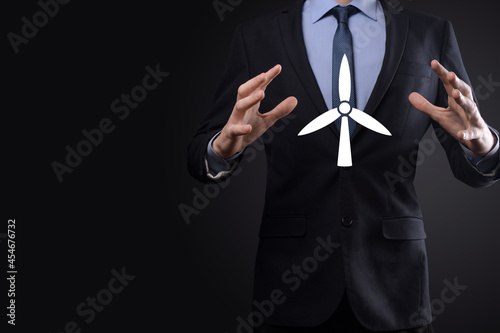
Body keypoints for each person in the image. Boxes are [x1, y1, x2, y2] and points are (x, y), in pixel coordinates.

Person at [188, 0, 500, 332]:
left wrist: (483, 144)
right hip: (289, 288)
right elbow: (202, 152)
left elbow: (469, 151)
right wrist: (220, 149)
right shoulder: (256, 36)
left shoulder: (431, 32)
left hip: (396, 290)